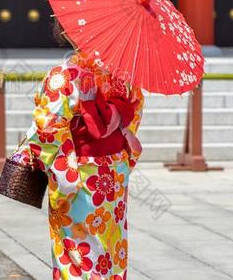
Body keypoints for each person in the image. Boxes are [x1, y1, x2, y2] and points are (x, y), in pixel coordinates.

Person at [15, 19, 144, 280]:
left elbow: (48, 126)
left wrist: (65, 173)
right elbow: (132, 120)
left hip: (78, 174)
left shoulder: (65, 75)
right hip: (113, 175)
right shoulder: (124, 76)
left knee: (77, 251)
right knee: (110, 244)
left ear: (67, 32)